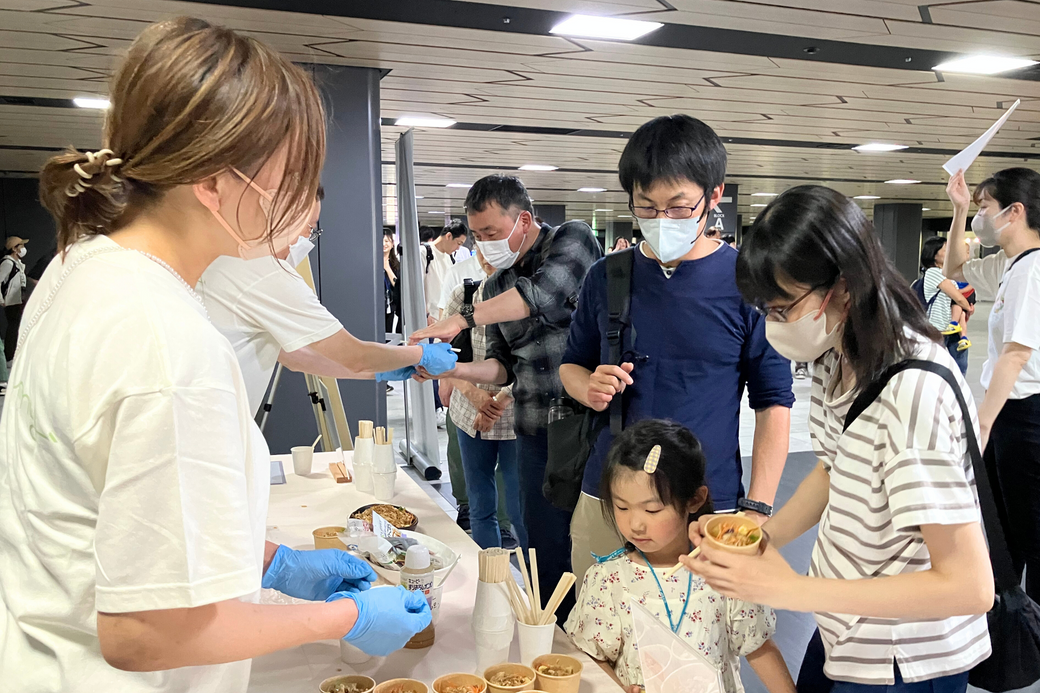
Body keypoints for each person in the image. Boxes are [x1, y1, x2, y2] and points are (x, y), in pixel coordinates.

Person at [0, 18, 431, 693]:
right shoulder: (169, 343)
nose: (305, 205)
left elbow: (103, 515)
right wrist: (345, 616)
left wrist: (268, 561)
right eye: (297, 177)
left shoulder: (77, 266)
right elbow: (145, 632)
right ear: (213, 179)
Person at [684, 185, 993, 693]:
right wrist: (763, 535)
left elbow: (969, 586)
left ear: (844, 287)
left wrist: (793, 589)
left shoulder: (913, 390)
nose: (773, 326)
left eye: (783, 309)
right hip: (845, 627)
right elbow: (836, 466)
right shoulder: (838, 354)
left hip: (904, 658)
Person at [560, 114, 793, 584]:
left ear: (714, 195)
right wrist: (589, 388)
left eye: (679, 207)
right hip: (612, 498)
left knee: (703, 643)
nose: (661, 220)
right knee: (597, 636)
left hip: (706, 501)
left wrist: (758, 509)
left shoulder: (748, 285)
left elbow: (774, 402)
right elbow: (571, 365)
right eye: (645, 206)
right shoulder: (608, 276)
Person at [409, 174, 603, 620]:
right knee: (538, 540)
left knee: (595, 539)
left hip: (588, 424)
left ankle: (598, 634)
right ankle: (554, 632)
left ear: (524, 220)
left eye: (492, 233)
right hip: (534, 429)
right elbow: (502, 367)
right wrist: (450, 369)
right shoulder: (495, 288)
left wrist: (460, 320)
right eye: (476, 236)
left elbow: (542, 295)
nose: (484, 244)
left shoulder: (572, 240)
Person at [565, 420, 795, 693]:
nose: (635, 524)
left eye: (652, 511)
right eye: (622, 507)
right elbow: (592, 656)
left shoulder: (724, 574)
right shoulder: (609, 580)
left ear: (694, 500)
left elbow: (758, 646)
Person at [197, 190, 456, 418]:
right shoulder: (265, 272)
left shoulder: (230, 261)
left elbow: (297, 358)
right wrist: (421, 354)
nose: (308, 238)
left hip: (216, 413)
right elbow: (353, 354)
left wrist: (382, 371)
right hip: (213, 418)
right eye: (309, 227)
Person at [943, 167, 1040, 600]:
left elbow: (1016, 355)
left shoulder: (1033, 270)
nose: (982, 216)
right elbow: (953, 268)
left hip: (1026, 416)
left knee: (1030, 531)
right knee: (1004, 526)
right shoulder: (1010, 264)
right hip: (1011, 416)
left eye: (986, 207)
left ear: (1014, 212)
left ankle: (1029, 632)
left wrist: (982, 424)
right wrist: (960, 209)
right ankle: (1008, 627)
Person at [442, 248, 526, 550]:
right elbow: (442, 356)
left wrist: (498, 401)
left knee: (520, 507)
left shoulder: (532, 300)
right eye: (481, 241)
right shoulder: (463, 296)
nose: (489, 253)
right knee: (480, 501)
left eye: (496, 239)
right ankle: (489, 578)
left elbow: (541, 362)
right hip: (469, 413)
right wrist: (472, 393)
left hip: (519, 416)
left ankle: (535, 589)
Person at [918, 236, 973, 374]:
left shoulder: (948, 273)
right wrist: (967, 307)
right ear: (934, 254)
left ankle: (957, 393)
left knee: (960, 366)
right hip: (937, 330)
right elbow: (958, 298)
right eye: (945, 249)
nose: (950, 251)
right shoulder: (933, 272)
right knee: (936, 367)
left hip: (952, 329)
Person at [422, 219, 468, 321]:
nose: (458, 248)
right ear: (448, 236)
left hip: (443, 319)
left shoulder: (450, 259)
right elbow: (416, 287)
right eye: (458, 243)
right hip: (428, 319)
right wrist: (426, 315)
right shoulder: (424, 253)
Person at [0, 236, 31, 365]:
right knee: (13, 328)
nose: (24, 249)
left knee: (18, 327)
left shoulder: (17, 263)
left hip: (19, 300)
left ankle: (15, 355)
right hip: (12, 302)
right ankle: (9, 357)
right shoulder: (8, 263)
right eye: (21, 246)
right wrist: (1, 298)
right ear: (14, 248)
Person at [383, 228, 401, 334]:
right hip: (377, 305)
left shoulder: (397, 264)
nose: (384, 244)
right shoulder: (372, 262)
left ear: (392, 244)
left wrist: (387, 268)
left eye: (387, 241)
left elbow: (397, 284)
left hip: (392, 305)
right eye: (382, 241)